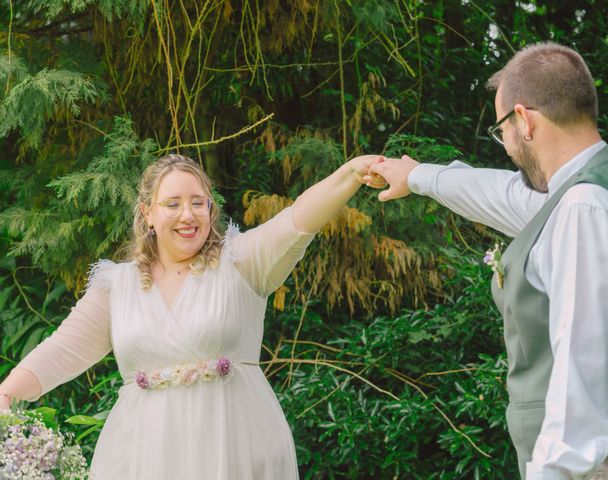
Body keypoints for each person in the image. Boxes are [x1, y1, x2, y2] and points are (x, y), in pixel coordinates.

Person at [0, 153, 385, 479]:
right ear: (148, 213)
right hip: (140, 458)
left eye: (198, 202)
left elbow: (299, 220)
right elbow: (62, 351)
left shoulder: (243, 263)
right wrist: (5, 395)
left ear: (210, 208)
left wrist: (350, 173)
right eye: (172, 204)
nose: (188, 215)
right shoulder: (117, 287)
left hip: (234, 450)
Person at [365, 42, 608, 479]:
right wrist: (417, 176)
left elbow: (583, 369)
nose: (506, 145)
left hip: (603, 466)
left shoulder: (586, 208)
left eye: (502, 130)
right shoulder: (597, 189)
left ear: (525, 120)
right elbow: (502, 195)